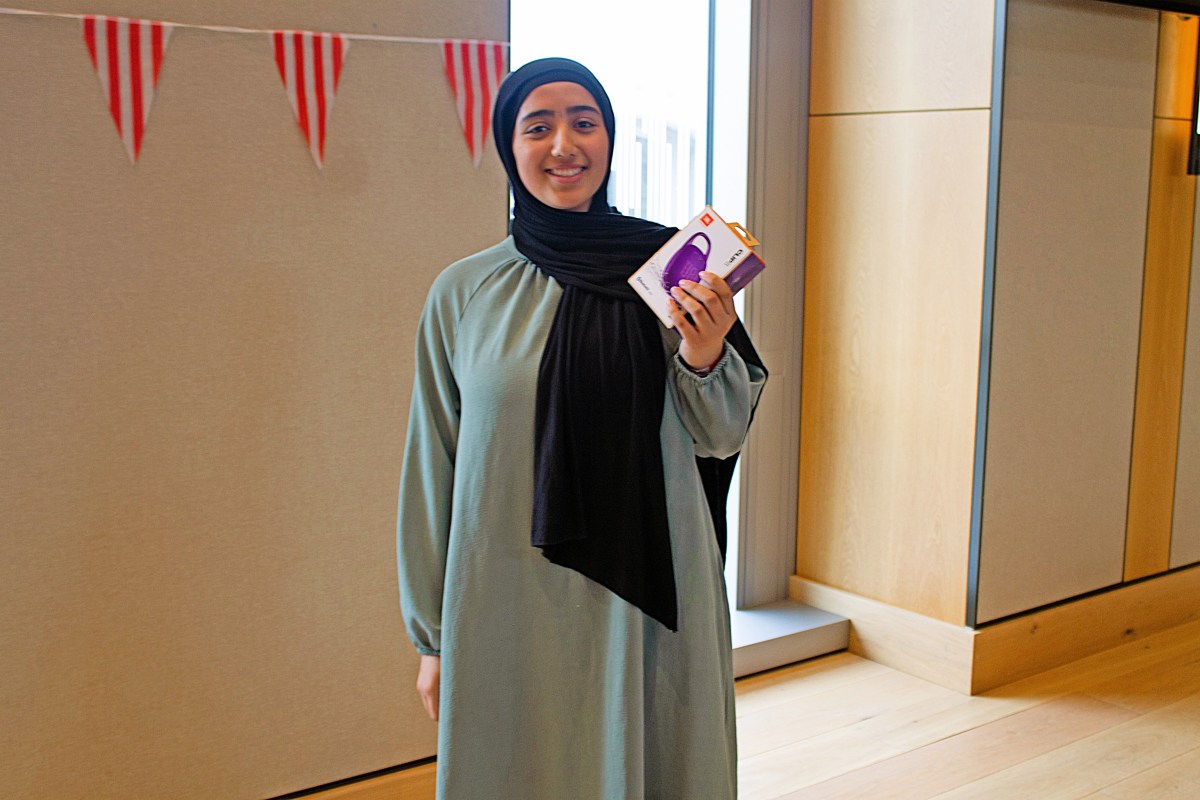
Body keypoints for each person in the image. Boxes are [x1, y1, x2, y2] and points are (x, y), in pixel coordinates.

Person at [397, 57, 766, 800]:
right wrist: (432, 638)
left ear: (608, 138)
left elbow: (720, 437)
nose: (564, 144)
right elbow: (434, 464)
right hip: (505, 591)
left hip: (648, 596)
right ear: (510, 148)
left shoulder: (671, 275)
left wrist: (704, 352)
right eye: (538, 127)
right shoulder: (464, 292)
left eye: (584, 122)